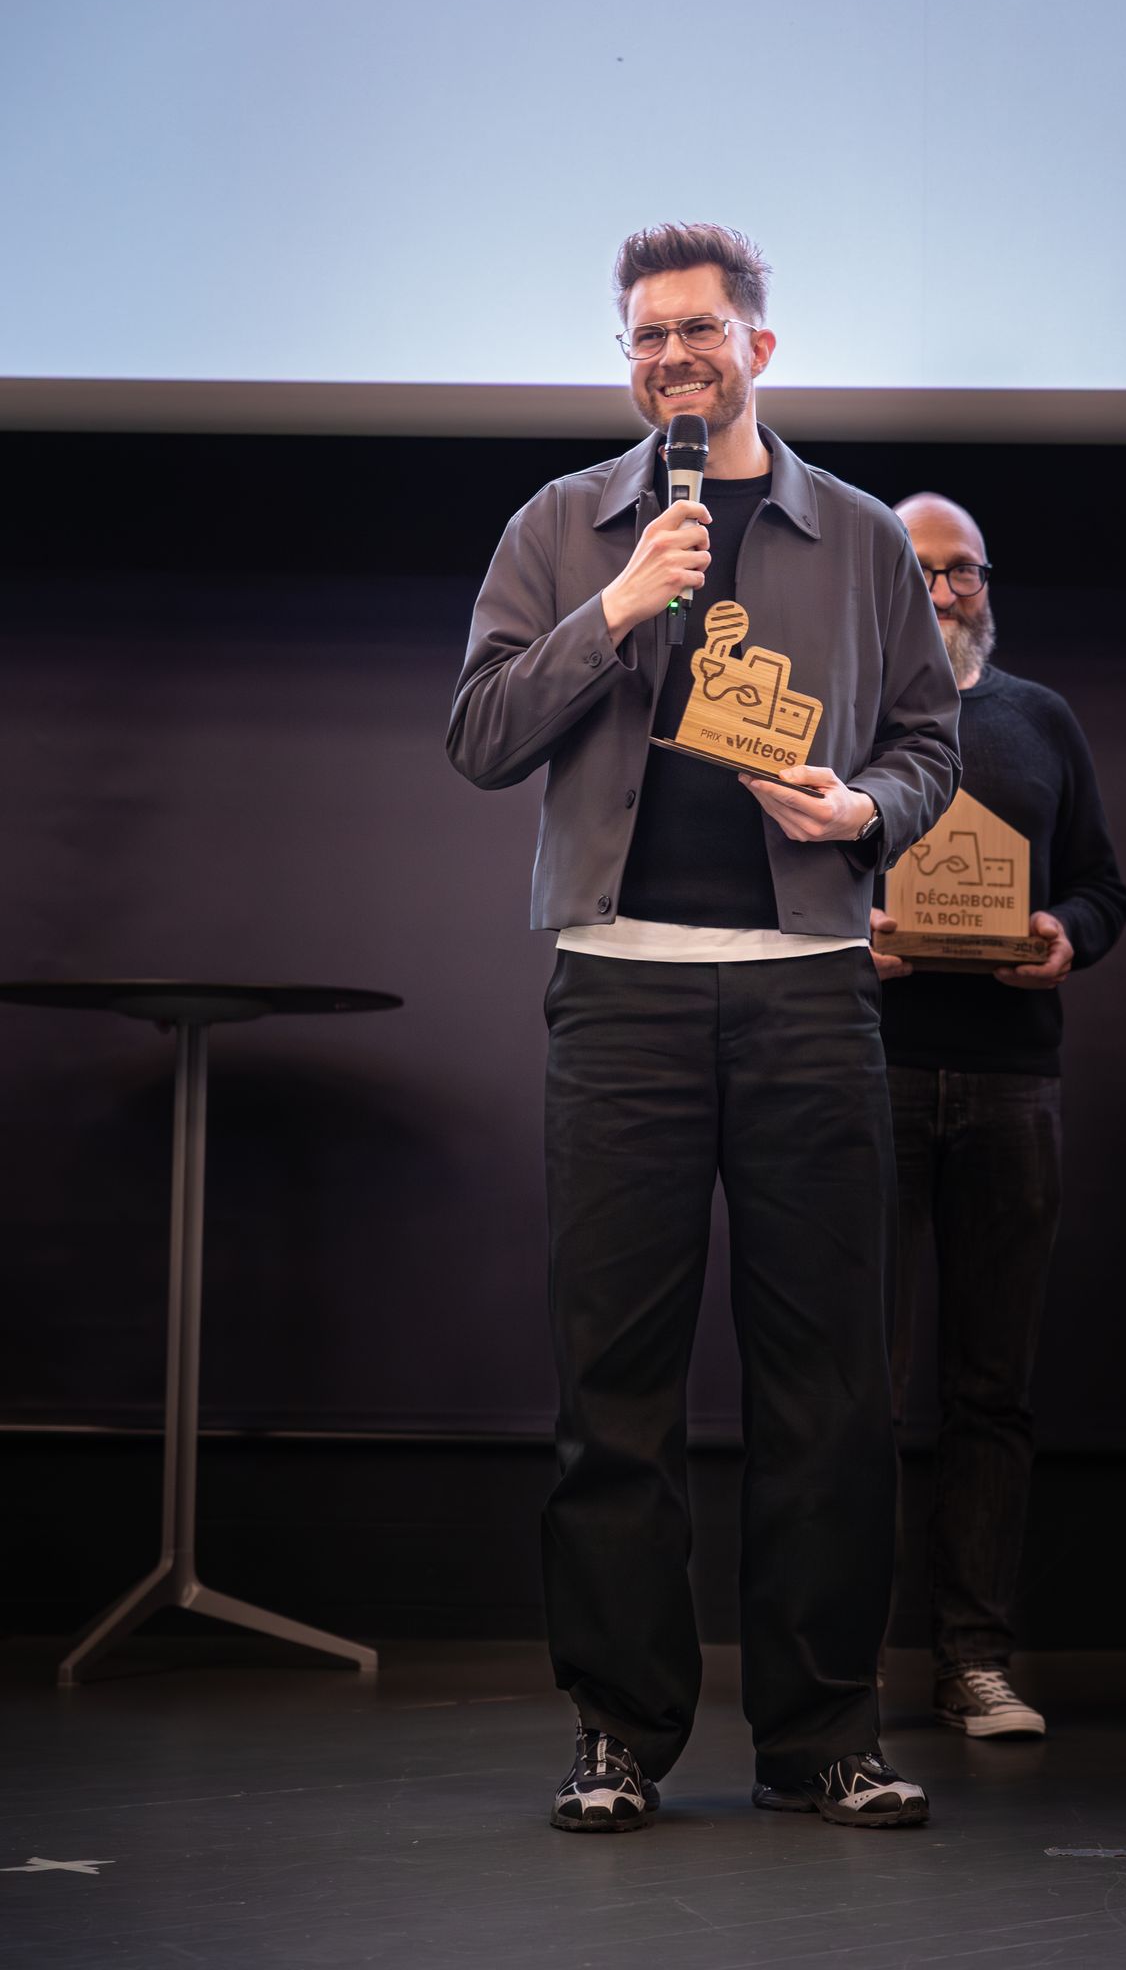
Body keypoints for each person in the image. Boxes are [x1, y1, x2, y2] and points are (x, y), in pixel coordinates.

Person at [447, 224, 961, 1830]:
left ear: (761, 346)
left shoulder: (865, 537)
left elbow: (931, 745)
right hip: (620, 989)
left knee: (830, 1389)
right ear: (630, 360)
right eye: (645, 336)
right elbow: (476, 734)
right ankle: (619, 1731)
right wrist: (613, 609)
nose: (673, 356)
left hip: (809, 991)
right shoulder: (562, 527)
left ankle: (823, 1738)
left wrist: (861, 810)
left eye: (700, 330)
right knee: (615, 1389)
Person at [871, 493, 1126, 1738]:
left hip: (1014, 1086)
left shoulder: (1041, 720)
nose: (943, 591)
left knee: (992, 1390)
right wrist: (849, 935)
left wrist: (1066, 936)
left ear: (987, 585)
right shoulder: (844, 711)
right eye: (920, 572)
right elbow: (783, 875)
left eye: (961, 571)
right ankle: (837, 1662)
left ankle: (973, 1657)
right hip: (865, 1074)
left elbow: (1104, 887)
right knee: (850, 1385)